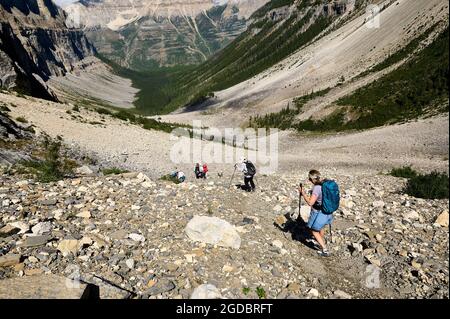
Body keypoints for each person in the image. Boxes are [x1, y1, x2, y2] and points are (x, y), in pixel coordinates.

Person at [299, 170, 333, 257]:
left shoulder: (317, 188)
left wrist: (303, 194)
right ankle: (321, 242)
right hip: (327, 210)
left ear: (311, 179)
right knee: (321, 227)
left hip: (319, 211)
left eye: (309, 179)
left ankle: (325, 249)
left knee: (314, 231)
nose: (309, 180)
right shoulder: (324, 184)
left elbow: (310, 203)